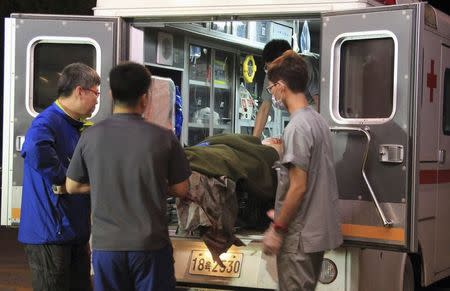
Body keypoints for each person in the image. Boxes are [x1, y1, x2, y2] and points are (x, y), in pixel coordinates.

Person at [64, 62, 191, 291]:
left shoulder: (90, 136)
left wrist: (107, 183)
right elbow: (182, 189)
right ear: (145, 97)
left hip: (107, 248)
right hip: (150, 245)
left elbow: (72, 186)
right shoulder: (164, 137)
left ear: (112, 94)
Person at [262, 50, 342, 291]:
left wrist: (278, 230)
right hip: (313, 232)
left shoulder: (296, 127)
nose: (272, 94)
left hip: (299, 239)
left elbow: (298, 187)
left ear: (282, 86)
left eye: (271, 88)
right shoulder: (318, 121)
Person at [19, 62, 100, 291]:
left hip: (72, 232)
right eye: (96, 93)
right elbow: (34, 149)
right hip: (50, 233)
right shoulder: (48, 121)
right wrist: (65, 180)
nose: (96, 100)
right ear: (80, 91)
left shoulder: (74, 125)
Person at [253, 39, 320, 138]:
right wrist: (253, 141)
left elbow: (319, 104)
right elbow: (264, 108)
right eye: (267, 68)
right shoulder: (271, 73)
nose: (271, 74)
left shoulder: (306, 67)